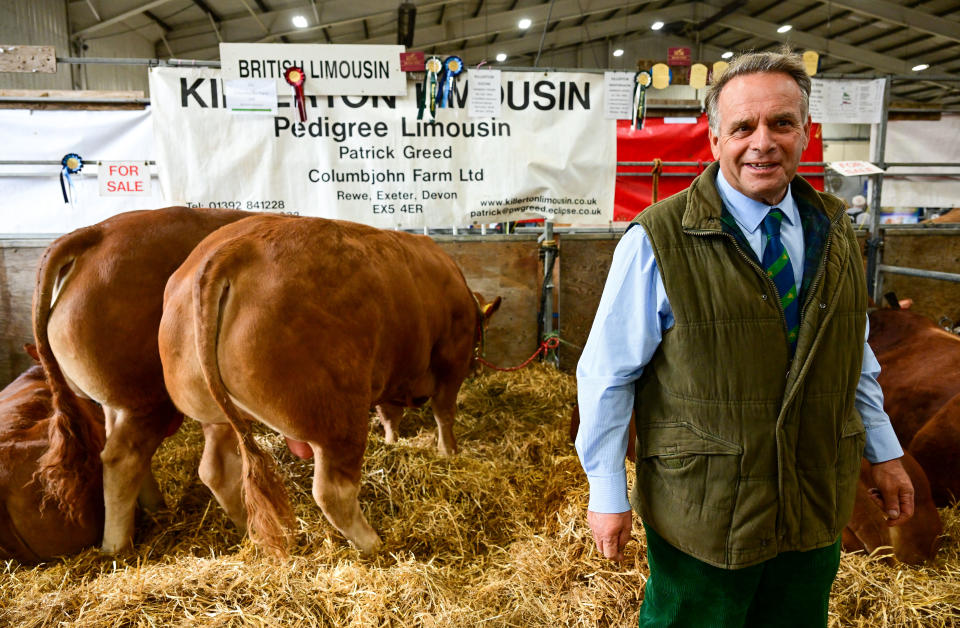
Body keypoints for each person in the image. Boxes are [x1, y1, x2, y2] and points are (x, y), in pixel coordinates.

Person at [575, 48, 915, 628]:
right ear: (714, 140)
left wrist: (884, 453)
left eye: (781, 123)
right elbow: (608, 373)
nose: (763, 142)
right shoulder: (659, 239)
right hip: (706, 510)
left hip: (812, 499)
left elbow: (851, 358)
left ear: (805, 134)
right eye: (743, 127)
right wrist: (607, 489)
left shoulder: (834, 230)